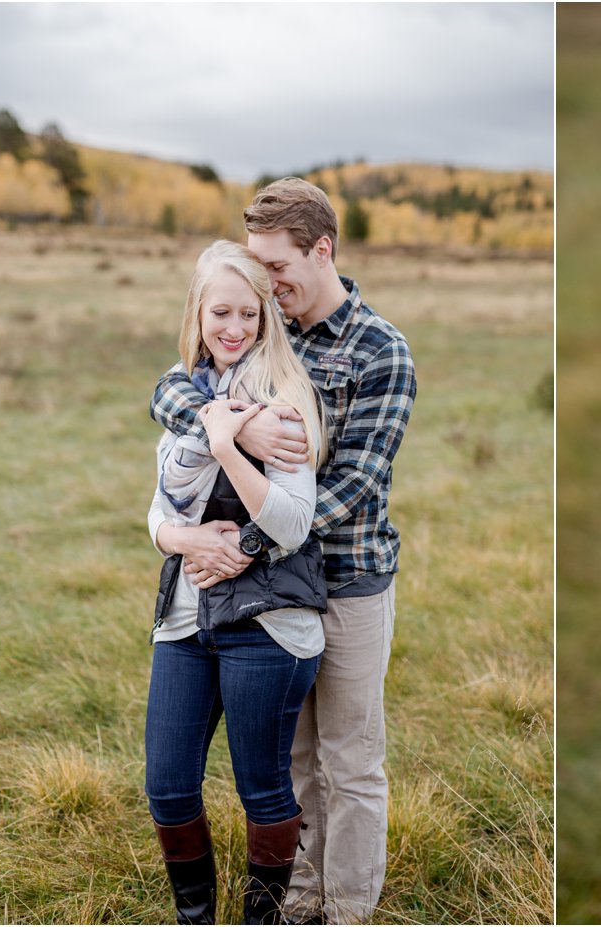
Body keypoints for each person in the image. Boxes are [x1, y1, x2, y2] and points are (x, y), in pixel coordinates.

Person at [151, 178, 416, 924]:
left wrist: (243, 545)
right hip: (273, 596)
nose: (265, 285)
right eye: (256, 269)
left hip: (349, 578)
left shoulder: (379, 349)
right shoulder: (267, 328)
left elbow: (355, 484)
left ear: (321, 249)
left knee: (350, 757)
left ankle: (350, 906)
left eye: (275, 267)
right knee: (290, 758)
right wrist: (225, 424)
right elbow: (171, 388)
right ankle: (297, 898)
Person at [146, 239, 327, 924]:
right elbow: (159, 509)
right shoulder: (184, 393)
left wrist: (229, 444)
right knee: (167, 784)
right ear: (197, 312)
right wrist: (183, 536)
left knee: (262, 787)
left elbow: (288, 523)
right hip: (187, 615)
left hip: (268, 624)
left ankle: (260, 920)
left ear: (264, 320)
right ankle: (195, 916)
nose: (233, 328)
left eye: (248, 315)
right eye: (220, 311)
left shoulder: (283, 400)